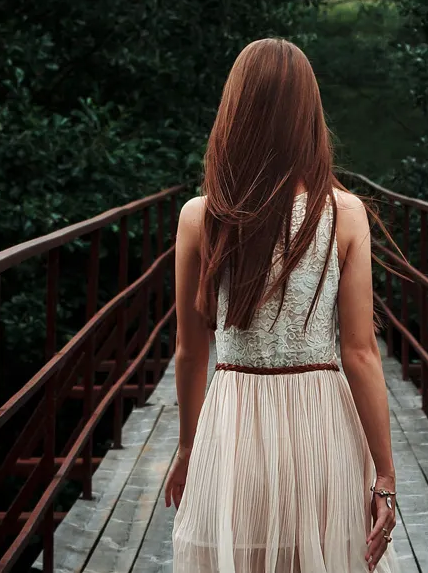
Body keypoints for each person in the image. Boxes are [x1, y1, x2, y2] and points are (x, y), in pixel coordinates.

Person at [164, 38, 401, 573]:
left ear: (234, 112)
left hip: (233, 422)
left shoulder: (200, 217)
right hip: (322, 422)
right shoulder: (346, 213)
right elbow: (361, 352)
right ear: (309, 117)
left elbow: (189, 353)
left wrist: (187, 448)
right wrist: (384, 477)